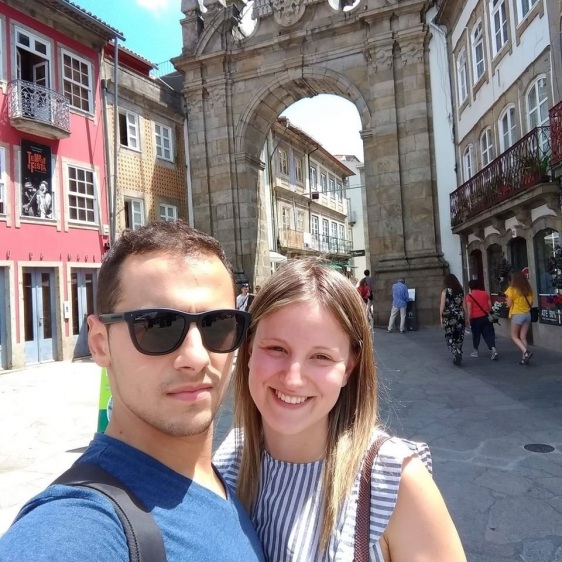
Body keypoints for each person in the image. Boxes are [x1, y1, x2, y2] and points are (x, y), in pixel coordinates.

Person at [0, 221, 264, 562]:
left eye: (218, 325)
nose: (196, 357)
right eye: (158, 326)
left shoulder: (232, 478)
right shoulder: (82, 526)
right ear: (100, 343)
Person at [214, 258, 467, 562]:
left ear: (349, 367)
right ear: (249, 350)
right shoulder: (227, 461)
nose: (293, 379)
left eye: (321, 357)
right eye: (276, 349)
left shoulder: (395, 485)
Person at [504, 271, 534, 365]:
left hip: (517, 314)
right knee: (523, 337)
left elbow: (509, 304)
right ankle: (524, 359)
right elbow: (531, 303)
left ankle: (526, 352)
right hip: (527, 314)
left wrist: (506, 303)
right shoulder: (528, 290)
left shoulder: (511, 289)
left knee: (514, 336)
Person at [466, 280, 498, 360]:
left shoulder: (469, 296)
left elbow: (469, 309)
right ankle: (493, 349)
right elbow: (490, 305)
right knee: (489, 334)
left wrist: (468, 319)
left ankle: (475, 351)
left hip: (475, 318)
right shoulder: (485, 293)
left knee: (476, 335)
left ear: (470, 287)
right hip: (486, 317)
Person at [439, 273, 467, 366]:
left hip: (449, 316)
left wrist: (441, 318)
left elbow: (442, 306)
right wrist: (466, 317)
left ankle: (455, 351)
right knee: (459, 336)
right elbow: (464, 305)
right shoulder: (460, 291)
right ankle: (458, 352)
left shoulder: (445, 292)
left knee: (449, 335)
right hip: (460, 316)